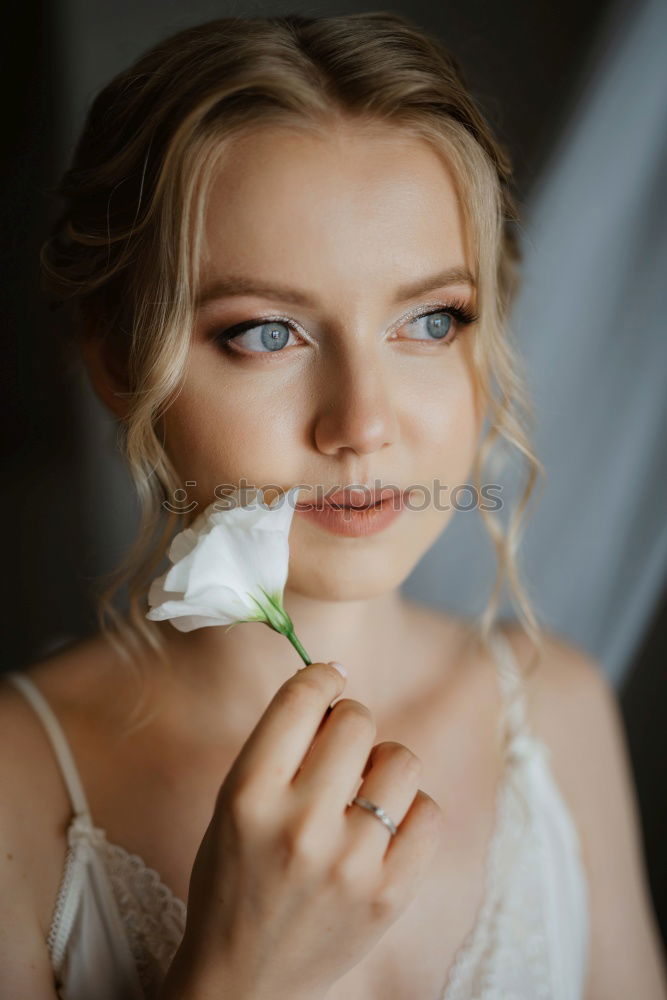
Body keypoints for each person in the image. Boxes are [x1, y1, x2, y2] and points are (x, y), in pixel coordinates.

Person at [1, 11, 665, 1000]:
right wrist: (234, 974)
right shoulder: (18, 788)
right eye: (266, 333)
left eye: (430, 320)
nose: (360, 423)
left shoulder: (557, 710)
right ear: (116, 355)